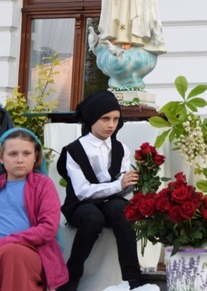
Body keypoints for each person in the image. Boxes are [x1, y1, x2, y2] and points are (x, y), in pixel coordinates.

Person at [56, 91, 143, 290]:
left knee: (123, 212)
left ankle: (134, 280)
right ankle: (71, 278)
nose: (111, 125)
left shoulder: (121, 149)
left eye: (115, 119)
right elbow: (82, 191)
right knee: (93, 218)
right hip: (80, 204)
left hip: (110, 202)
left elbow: (122, 186)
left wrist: (133, 183)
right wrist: (118, 185)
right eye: (105, 119)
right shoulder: (73, 151)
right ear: (92, 118)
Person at [0, 128, 69, 290]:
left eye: (26, 153)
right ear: (1, 157)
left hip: (31, 251)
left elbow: (48, 228)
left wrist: (8, 241)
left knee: (13, 253)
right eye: (13, 154)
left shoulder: (43, 185)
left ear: (36, 157)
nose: (20, 159)